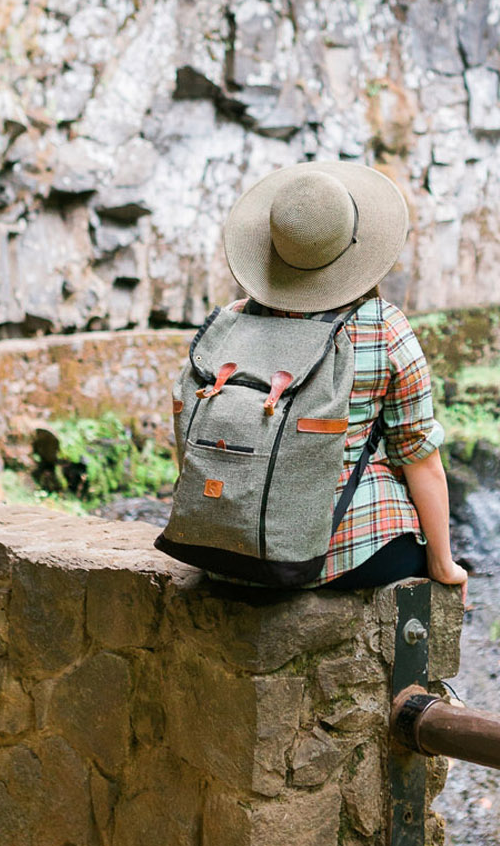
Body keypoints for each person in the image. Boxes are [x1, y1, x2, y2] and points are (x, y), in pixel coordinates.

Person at [159, 160, 468, 595]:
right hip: (340, 554)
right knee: (406, 534)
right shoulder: (382, 327)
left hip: (225, 555)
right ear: (356, 246)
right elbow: (420, 458)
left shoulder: (230, 325)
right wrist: (442, 561)